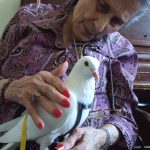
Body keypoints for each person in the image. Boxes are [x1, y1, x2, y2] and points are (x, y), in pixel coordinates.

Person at [0, 0, 149, 149]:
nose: (99, 26)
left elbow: (126, 121)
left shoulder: (122, 51)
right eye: (102, 6)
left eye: (116, 21)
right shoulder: (28, 17)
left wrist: (101, 137)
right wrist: (8, 88)